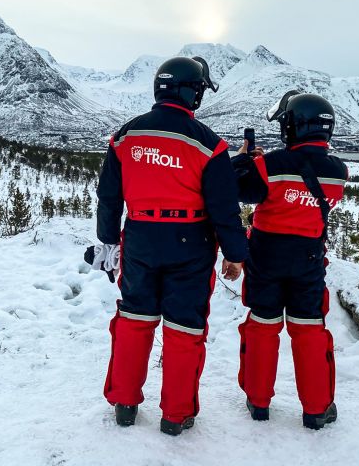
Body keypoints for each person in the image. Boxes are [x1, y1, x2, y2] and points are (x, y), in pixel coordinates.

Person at [94, 56, 248, 436]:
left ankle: (125, 403)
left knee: (133, 320)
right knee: (184, 329)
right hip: (190, 243)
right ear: (192, 92)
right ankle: (176, 415)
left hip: (140, 238)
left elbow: (109, 197)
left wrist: (108, 242)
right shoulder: (210, 145)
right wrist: (235, 254)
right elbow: (224, 208)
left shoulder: (125, 136)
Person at [231, 91, 348, 430]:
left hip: (266, 254)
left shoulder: (272, 164)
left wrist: (244, 160)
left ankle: (258, 401)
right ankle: (316, 408)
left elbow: (242, 189)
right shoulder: (339, 172)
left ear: (292, 127)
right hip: (309, 258)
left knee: (263, 327)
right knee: (309, 330)